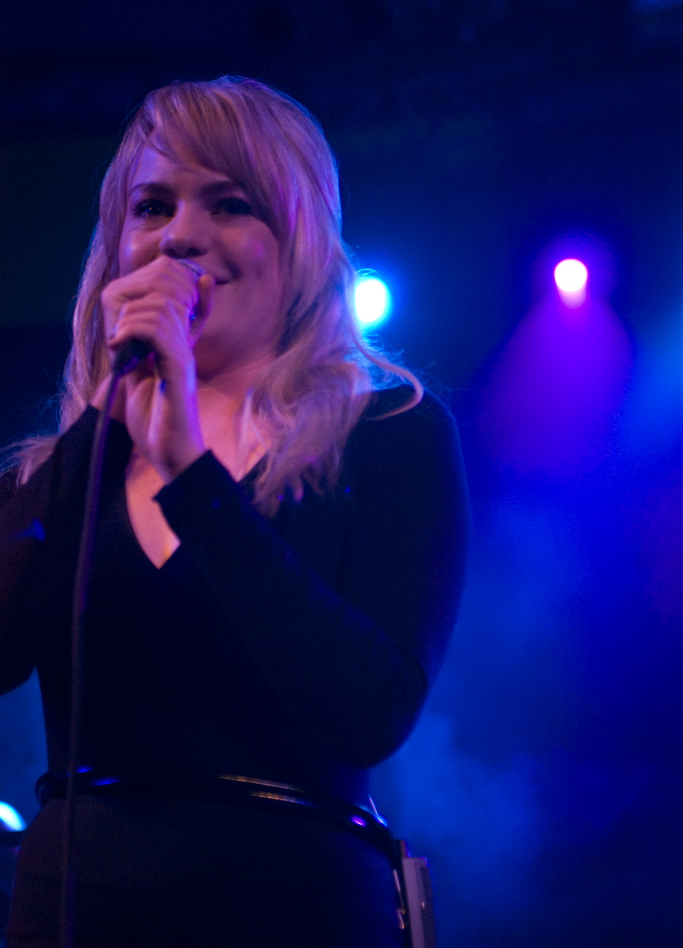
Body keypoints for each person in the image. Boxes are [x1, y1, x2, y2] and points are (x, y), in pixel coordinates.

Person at [0, 76, 469, 947]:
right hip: (75, 908)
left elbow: (369, 709)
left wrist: (192, 473)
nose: (181, 236)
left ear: (301, 242)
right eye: (152, 207)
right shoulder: (63, 468)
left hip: (297, 906)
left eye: (230, 204)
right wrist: (103, 423)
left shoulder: (389, 432)